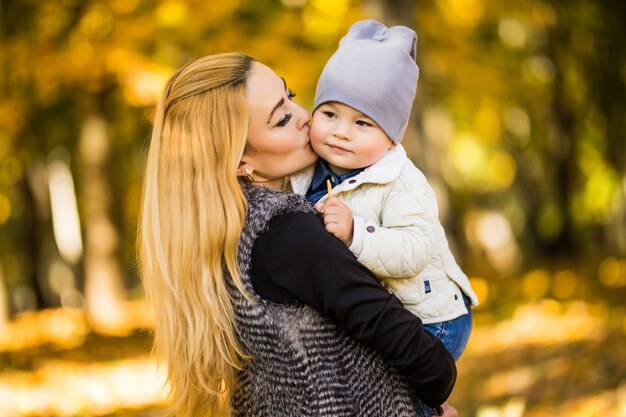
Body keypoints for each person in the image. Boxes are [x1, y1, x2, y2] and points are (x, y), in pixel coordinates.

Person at [139, 52, 457, 417]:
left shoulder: (222, 230)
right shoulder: (286, 229)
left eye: (290, 95)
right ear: (241, 162)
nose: (307, 115)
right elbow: (402, 339)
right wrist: (435, 391)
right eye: (283, 118)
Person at [290, 20, 479, 361]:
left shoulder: (401, 180)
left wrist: (355, 233)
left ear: (391, 138)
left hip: (432, 321)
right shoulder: (306, 167)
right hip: (382, 314)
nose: (341, 132)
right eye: (330, 114)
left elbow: (415, 250)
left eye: (362, 123)